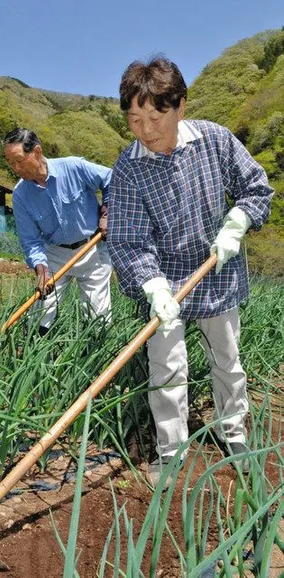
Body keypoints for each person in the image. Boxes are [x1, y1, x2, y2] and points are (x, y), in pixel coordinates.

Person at [106, 57, 274, 488]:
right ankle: (172, 449)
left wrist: (236, 223)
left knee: (227, 360)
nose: (146, 130)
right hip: (165, 282)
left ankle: (232, 431)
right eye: (135, 118)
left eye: (156, 116)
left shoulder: (215, 140)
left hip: (215, 272)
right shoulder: (128, 167)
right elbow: (127, 239)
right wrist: (153, 285)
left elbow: (256, 186)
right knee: (167, 369)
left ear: (180, 105)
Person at [3, 128, 112, 335]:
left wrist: (107, 213)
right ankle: (35, 351)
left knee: (98, 316)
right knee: (42, 310)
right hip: (54, 253)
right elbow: (30, 241)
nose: (16, 168)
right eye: (10, 163)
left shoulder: (73, 167)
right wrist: (40, 268)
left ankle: (93, 357)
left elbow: (112, 180)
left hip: (92, 248)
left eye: (19, 160)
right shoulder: (20, 195)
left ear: (36, 151)